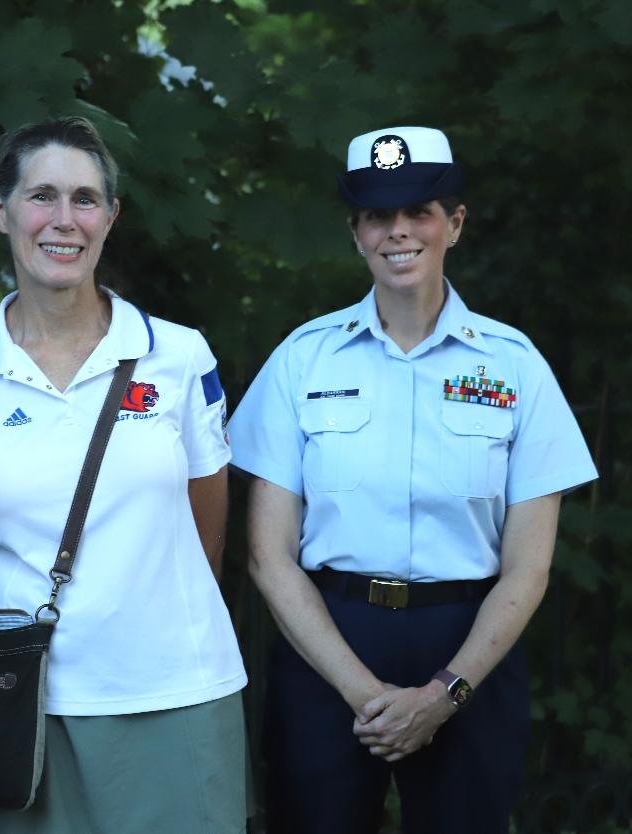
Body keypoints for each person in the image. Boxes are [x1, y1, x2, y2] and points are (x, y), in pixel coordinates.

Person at [227, 125, 599, 834]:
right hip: (328, 646)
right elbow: (267, 558)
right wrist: (363, 692)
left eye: (418, 212)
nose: (398, 232)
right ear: (355, 233)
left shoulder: (515, 366)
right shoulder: (303, 361)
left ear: (454, 223)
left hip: (469, 648)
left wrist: (444, 694)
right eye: (377, 216)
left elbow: (529, 567)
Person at [0, 116, 248, 833]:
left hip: (177, 691)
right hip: (29, 705)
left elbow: (207, 530)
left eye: (85, 199)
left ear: (111, 216)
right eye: (41, 195)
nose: (63, 220)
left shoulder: (178, 356)